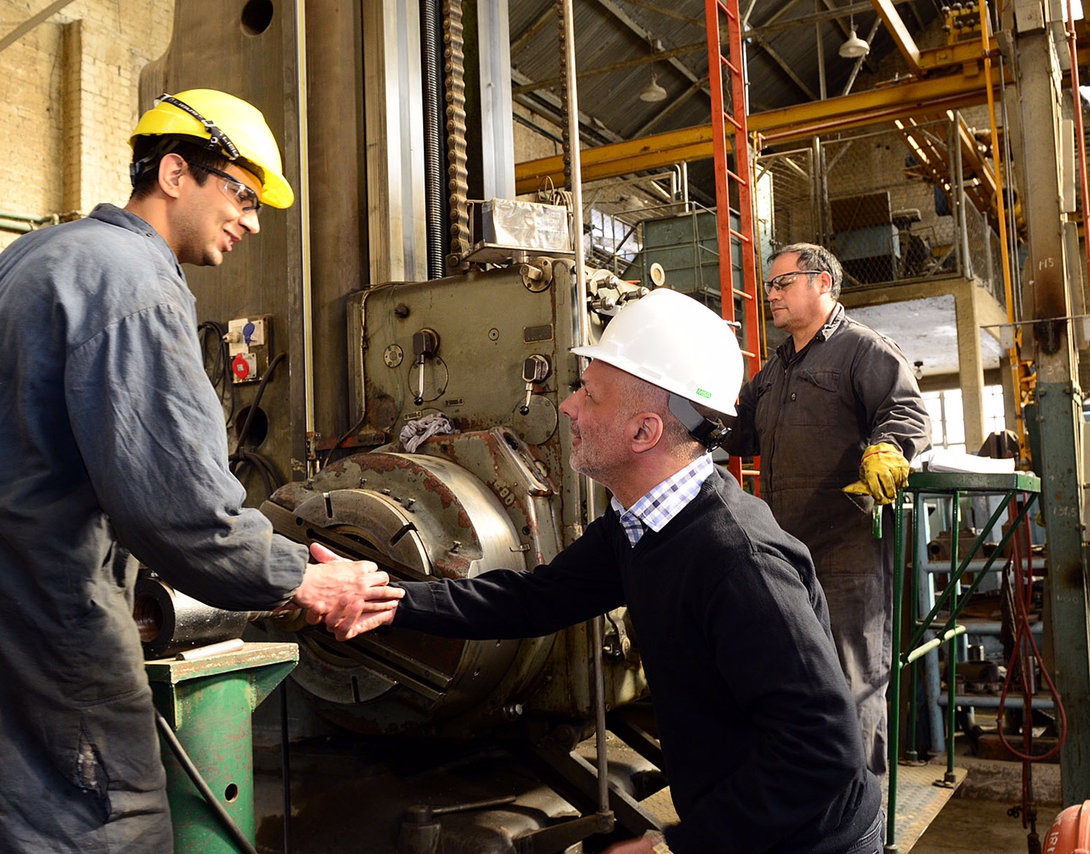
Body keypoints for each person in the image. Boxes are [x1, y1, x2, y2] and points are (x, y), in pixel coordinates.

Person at [0, 90, 401, 852]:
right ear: (173, 173)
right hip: (36, 604)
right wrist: (303, 580)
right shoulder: (136, 283)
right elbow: (180, 509)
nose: (253, 222)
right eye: (243, 195)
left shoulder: (37, 255)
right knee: (100, 828)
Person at [330, 288, 884, 853]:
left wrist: (676, 847)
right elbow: (534, 598)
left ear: (645, 431)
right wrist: (387, 598)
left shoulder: (740, 562)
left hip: (812, 842)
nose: (568, 407)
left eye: (590, 395)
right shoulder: (640, 524)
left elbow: (822, 753)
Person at [725, 242, 932, 777]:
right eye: (769, 285)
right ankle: (810, 801)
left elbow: (906, 411)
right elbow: (738, 432)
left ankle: (859, 810)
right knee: (794, 682)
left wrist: (888, 447)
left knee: (851, 684)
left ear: (822, 283)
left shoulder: (861, 348)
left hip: (846, 554)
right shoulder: (775, 369)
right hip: (784, 551)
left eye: (782, 283)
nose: (770, 295)